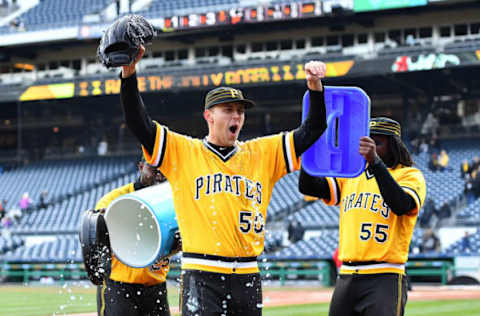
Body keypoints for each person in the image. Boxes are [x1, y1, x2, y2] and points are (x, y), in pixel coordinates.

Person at [120, 44, 328, 315]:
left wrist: (315, 87)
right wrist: (129, 72)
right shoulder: (183, 151)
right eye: (228, 109)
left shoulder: (263, 153)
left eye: (240, 111)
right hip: (202, 275)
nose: (236, 116)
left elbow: (313, 129)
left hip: (248, 276)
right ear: (209, 116)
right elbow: (139, 123)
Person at [298, 117, 426, 316]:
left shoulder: (409, 175)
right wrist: (309, 151)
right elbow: (308, 187)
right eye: (367, 141)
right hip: (347, 276)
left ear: (394, 145)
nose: (369, 147)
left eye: (378, 143)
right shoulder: (352, 175)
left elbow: (400, 204)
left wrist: (375, 161)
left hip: (384, 276)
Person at [95, 158, 173, 316]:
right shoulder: (113, 199)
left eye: (165, 169)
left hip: (156, 284)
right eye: (154, 169)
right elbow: (95, 237)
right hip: (120, 286)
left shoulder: (172, 200)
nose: (160, 175)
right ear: (141, 167)